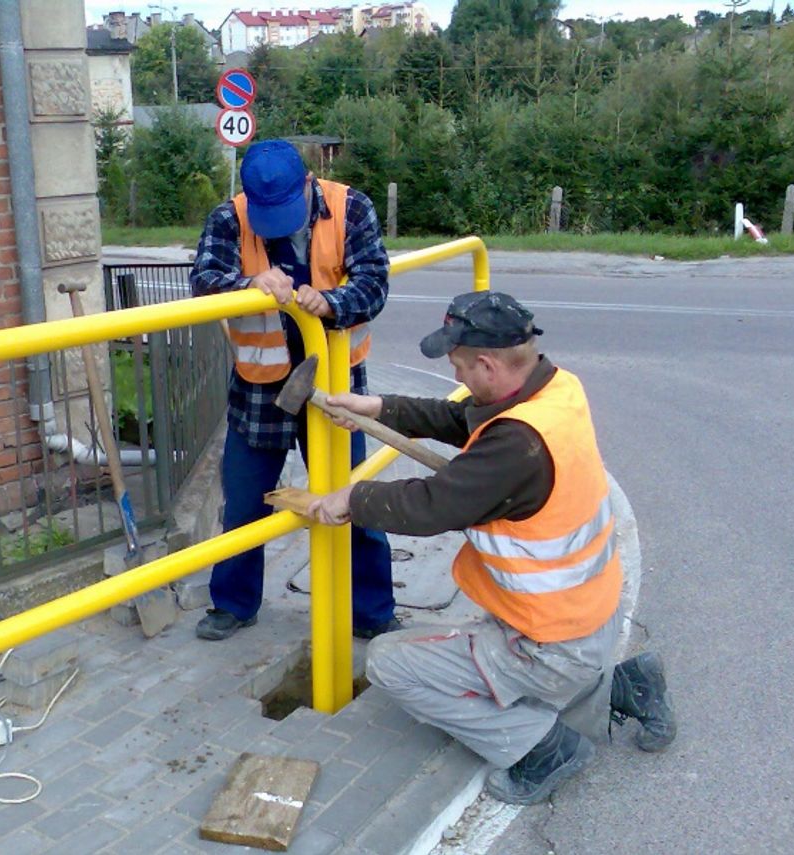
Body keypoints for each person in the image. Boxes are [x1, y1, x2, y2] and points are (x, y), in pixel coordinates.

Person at [308, 291, 676, 805]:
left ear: (485, 362)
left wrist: (353, 497)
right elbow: (466, 422)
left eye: (459, 366)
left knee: (390, 663)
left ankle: (543, 749)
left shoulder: (516, 446)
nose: (457, 377)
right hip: (588, 614)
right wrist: (380, 408)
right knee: (518, 658)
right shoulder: (554, 391)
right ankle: (623, 684)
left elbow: (431, 506)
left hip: (550, 640)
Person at [188, 138, 399, 642]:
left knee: (356, 501)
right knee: (243, 505)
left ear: (308, 184)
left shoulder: (351, 207)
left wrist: (330, 302)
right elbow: (202, 280)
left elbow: (375, 281)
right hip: (260, 388)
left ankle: (371, 611)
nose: (276, 227)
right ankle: (234, 604)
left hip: (333, 385)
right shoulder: (229, 218)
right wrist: (247, 284)